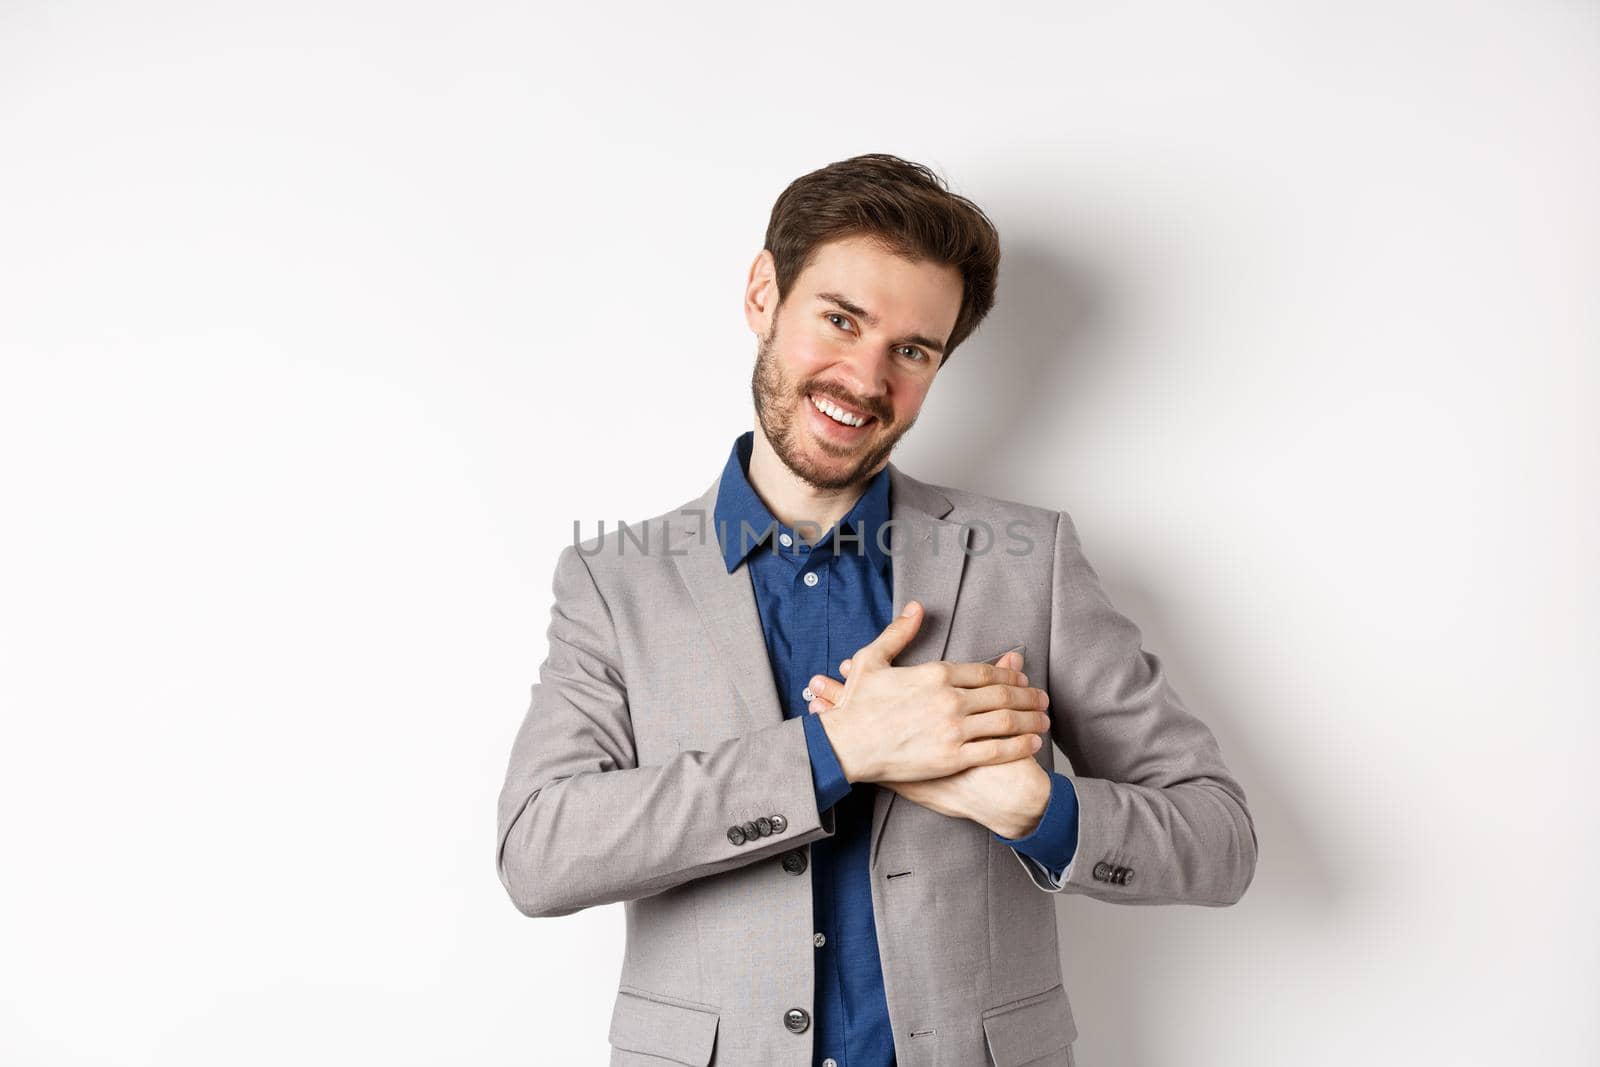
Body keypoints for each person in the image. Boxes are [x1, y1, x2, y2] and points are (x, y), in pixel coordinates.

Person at [495, 153, 1258, 1067]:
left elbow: (1219, 838)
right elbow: (538, 852)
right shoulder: (614, 581)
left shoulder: (1031, 561)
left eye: (912, 350)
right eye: (840, 319)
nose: (864, 377)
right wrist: (833, 752)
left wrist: (1037, 808)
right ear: (762, 295)